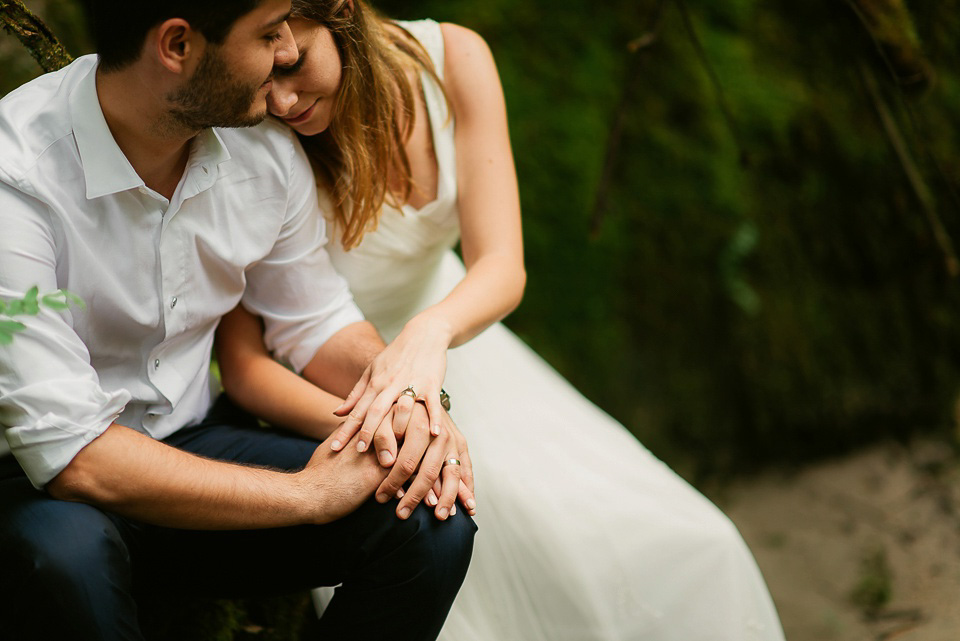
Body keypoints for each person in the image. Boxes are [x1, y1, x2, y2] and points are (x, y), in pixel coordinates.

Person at [215, 1, 786, 639]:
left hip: (462, 342)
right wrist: (392, 425)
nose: (285, 101)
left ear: (340, 11)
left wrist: (429, 334)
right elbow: (243, 365)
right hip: (340, 389)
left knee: (678, 544)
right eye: (263, 80)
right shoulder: (252, 139)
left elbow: (503, 266)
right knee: (453, 560)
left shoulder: (454, 58)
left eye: (294, 66)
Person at [0, 1, 477, 640]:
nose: (287, 51)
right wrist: (308, 496)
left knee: (428, 519)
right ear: (177, 46)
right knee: (68, 561)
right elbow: (74, 457)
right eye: (267, 32)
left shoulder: (264, 151)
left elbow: (313, 319)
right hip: (42, 485)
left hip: (191, 437)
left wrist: (405, 402)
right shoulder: (16, 179)